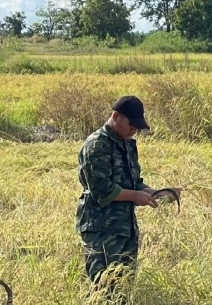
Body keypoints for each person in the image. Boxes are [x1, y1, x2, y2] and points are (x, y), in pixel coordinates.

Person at [76, 95, 179, 285]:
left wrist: (156, 193)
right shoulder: (97, 145)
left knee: (124, 286)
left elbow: (133, 183)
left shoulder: (126, 144)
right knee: (103, 287)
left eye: (137, 129)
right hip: (101, 229)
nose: (134, 132)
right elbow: (102, 190)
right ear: (116, 116)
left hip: (125, 228)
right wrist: (135, 196)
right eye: (131, 127)